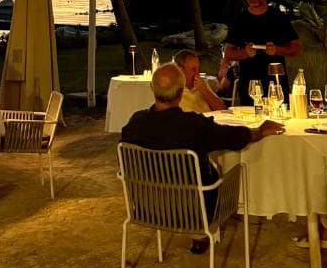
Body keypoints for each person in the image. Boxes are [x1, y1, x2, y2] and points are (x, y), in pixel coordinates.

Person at [121, 63, 282, 254]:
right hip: (197, 211)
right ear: (181, 92)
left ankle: (198, 237)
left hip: (148, 208)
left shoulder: (134, 124)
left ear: (152, 89)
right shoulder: (194, 126)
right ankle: (200, 233)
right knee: (239, 168)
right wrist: (261, 131)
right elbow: (236, 138)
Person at [222, 0, 303, 105]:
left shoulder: (279, 18)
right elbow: (228, 53)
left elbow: (297, 48)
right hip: (250, 88)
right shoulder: (239, 20)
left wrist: (277, 50)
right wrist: (245, 53)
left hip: (277, 84)